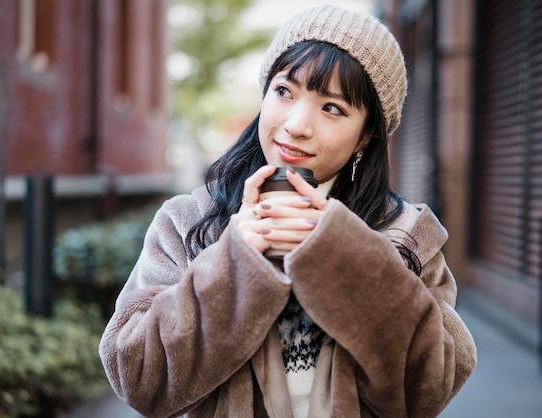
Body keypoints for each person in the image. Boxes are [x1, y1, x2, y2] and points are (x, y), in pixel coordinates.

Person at [99, 5, 477, 418]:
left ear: (366, 136)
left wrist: (345, 255)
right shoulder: (189, 220)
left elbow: (429, 390)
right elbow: (135, 376)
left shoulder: (407, 233)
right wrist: (235, 260)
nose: (297, 124)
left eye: (332, 108)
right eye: (284, 91)